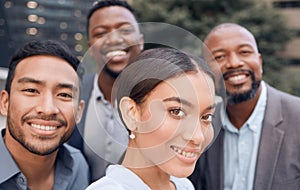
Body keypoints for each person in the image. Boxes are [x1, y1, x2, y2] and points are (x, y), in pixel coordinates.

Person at [85, 47, 217, 190]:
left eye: (206, 116)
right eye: (177, 111)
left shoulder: (184, 186)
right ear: (131, 113)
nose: (198, 137)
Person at [189, 23, 300, 190]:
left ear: (260, 61)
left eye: (244, 52)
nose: (234, 63)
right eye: (219, 57)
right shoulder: (199, 126)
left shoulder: (297, 117)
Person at [68, 0, 144, 182]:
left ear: (140, 41)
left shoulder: (165, 99)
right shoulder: (71, 94)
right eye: (101, 33)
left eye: (125, 30)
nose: (114, 40)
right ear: (90, 48)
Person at [0, 40, 89, 190]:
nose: (48, 109)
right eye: (31, 90)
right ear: (5, 103)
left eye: (64, 94)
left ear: (79, 112)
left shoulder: (78, 165)